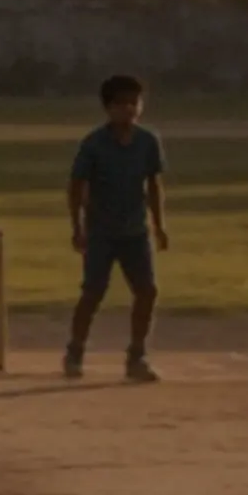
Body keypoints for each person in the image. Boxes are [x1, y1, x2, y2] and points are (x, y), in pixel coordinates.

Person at [63, 73, 169, 384]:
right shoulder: (94, 144)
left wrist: (160, 226)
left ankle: (137, 356)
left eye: (134, 103)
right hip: (101, 231)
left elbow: (153, 185)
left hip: (135, 231)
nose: (129, 110)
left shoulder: (148, 141)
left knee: (147, 292)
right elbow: (76, 186)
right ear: (108, 108)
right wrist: (77, 227)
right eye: (121, 104)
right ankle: (75, 351)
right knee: (93, 292)